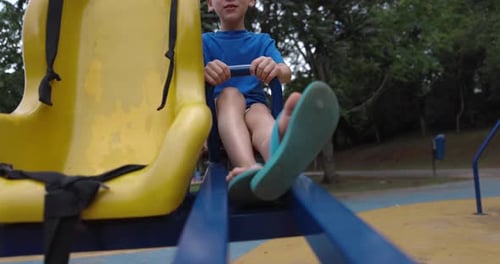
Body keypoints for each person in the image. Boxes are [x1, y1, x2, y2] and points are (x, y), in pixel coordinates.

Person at [203, 0, 297, 181]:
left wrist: (275, 68)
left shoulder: (262, 41)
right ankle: (247, 167)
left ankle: (279, 160)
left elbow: (286, 73)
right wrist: (204, 72)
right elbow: (187, 80)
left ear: (251, 1)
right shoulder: (204, 43)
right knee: (230, 94)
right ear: (210, 4)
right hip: (220, 114)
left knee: (261, 116)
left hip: (254, 107)